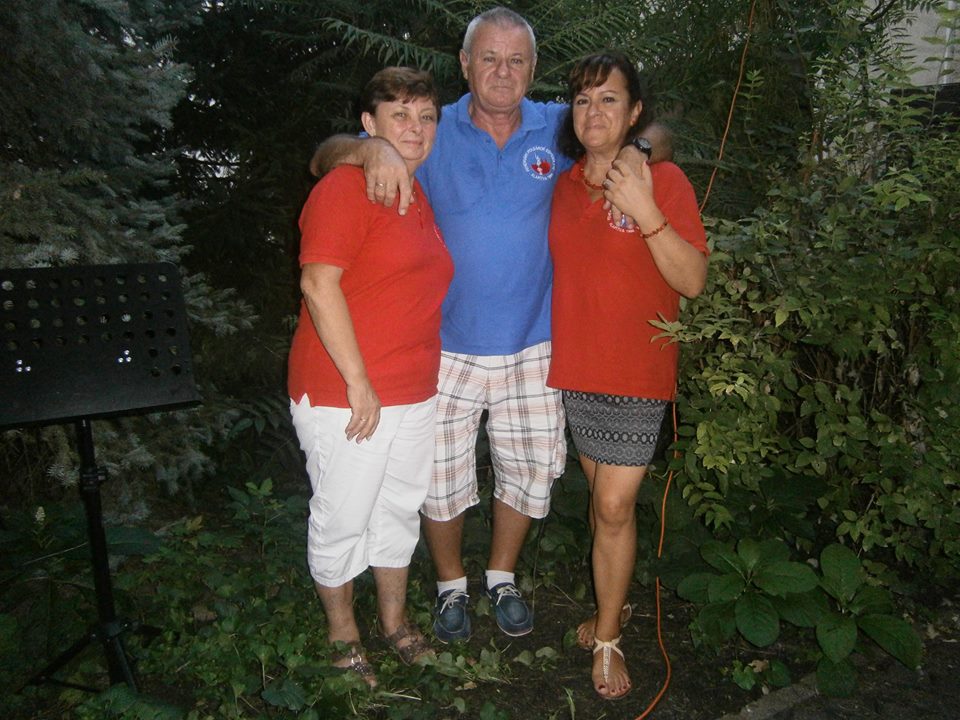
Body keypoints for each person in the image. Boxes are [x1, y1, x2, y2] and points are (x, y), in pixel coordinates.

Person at [309, 7, 660, 645]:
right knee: (440, 479)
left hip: (535, 344)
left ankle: (501, 576)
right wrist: (369, 148)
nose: (503, 71)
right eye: (489, 58)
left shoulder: (558, 124)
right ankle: (450, 585)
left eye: (516, 60)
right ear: (465, 63)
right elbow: (324, 157)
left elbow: (647, 128)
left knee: (528, 471)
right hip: (443, 345)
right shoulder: (430, 127)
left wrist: (637, 151)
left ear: (533, 68)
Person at [547, 51, 709, 700]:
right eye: (583, 99)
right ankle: (609, 604)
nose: (594, 111)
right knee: (604, 507)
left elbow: (692, 281)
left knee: (613, 507)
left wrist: (644, 208)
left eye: (609, 99)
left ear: (635, 111)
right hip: (577, 371)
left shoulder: (662, 179)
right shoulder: (561, 186)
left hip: (638, 373)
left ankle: (609, 636)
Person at [287, 67, 453, 687]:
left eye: (426, 116)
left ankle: (394, 622)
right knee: (343, 516)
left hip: (414, 390)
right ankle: (343, 634)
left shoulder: (417, 195)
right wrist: (359, 382)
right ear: (368, 124)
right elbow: (317, 284)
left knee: (399, 513)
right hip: (347, 393)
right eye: (399, 115)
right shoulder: (345, 187)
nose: (415, 127)